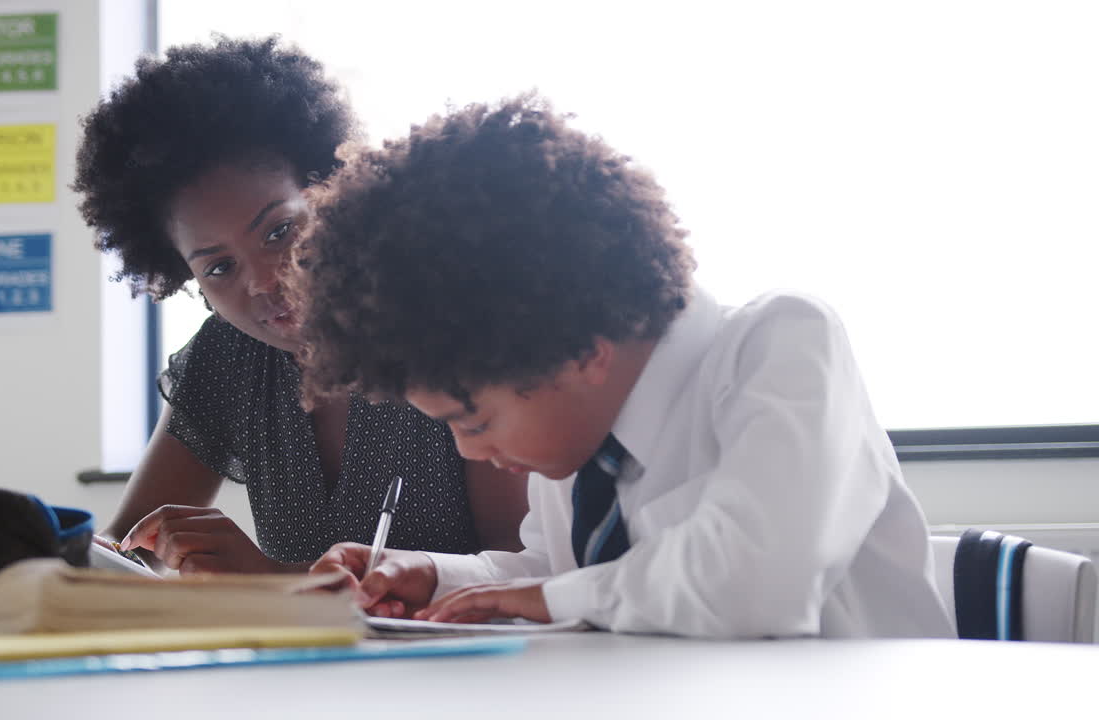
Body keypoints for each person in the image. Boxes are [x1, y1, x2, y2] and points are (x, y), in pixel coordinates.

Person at [295, 94, 956, 638]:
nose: (469, 447)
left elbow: (752, 581)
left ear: (582, 349)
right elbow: (560, 571)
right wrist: (436, 575)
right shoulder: (580, 434)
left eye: (475, 418)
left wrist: (549, 597)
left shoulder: (784, 343)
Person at [70, 37, 527, 575]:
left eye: (280, 231)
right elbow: (124, 554)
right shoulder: (227, 358)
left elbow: (523, 572)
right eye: (218, 268)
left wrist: (268, 580)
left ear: (333, 187)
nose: (264, 281)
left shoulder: (450, 325)